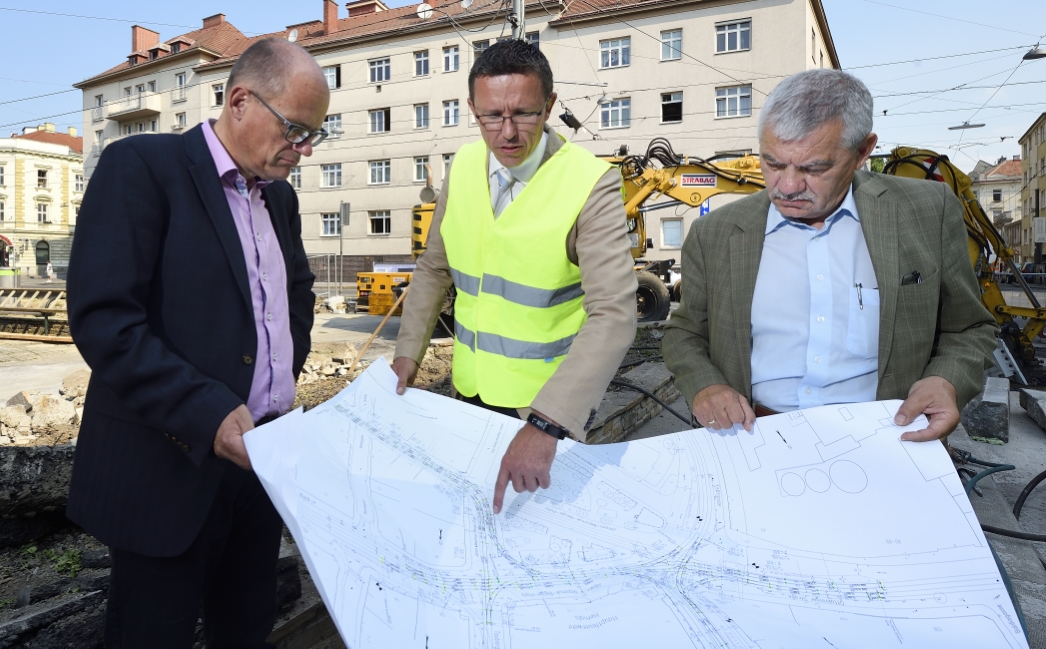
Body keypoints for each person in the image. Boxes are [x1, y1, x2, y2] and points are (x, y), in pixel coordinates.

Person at [66, 39, 327, 647]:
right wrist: (208, 412)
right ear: (240, 101)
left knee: (247, 627)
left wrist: (278, 383)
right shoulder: (141, 168)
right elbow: (106, 319)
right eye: (295, 129)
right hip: (167, 468)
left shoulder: (279, 198)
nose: (304, 148)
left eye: (316, 134)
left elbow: (296, 299)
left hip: (259, 465)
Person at [661, 69, 997, 442]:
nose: (787, 186)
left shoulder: (926, 211)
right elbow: (685, 333)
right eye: (772, 163)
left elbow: (969, 327)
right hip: (753, 439)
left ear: (862, 151)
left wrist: (945, 380)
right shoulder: (715, 233)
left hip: (889, 440)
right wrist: (705, 385)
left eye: (814, 168)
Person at [391, 39, 636, 514]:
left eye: (523, 114)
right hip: (468, 393)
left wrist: (546, 424)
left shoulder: (591, 182)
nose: (506, 133)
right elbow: (433, 267)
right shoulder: (462, 167)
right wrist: (406, 356)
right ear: (471, 108)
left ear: (549, 105)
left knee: (536, 546)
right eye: (489, 117)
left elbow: (614, 314)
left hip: (545, 411)